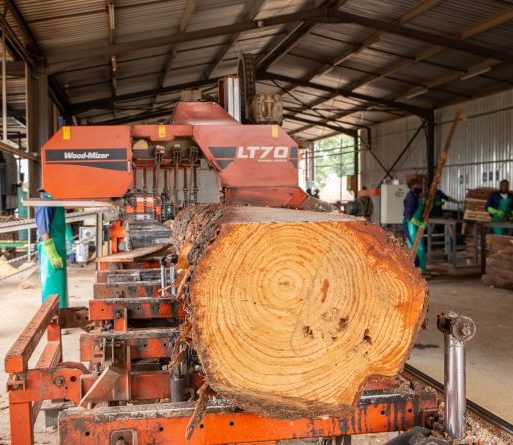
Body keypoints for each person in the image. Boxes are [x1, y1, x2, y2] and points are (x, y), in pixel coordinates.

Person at [35, 190, 68, 308]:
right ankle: (52, 318)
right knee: (52, 286)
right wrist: (52, 254)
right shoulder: (46, 202)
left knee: (60, 287)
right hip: (51, 250)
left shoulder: (56, 200)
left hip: (59, 248)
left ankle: (62, 314)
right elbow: (44, 232)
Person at [403, 179, 426, 271]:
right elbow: (408, 215)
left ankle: (418, 267)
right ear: (413, 186)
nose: (421, 187)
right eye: (419, 185)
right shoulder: (411, 197)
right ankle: (415, 267)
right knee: (415, 245)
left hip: (415, 225)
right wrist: (419, 223)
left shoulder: (415, 196)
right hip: (411, 225)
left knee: (418, 245)